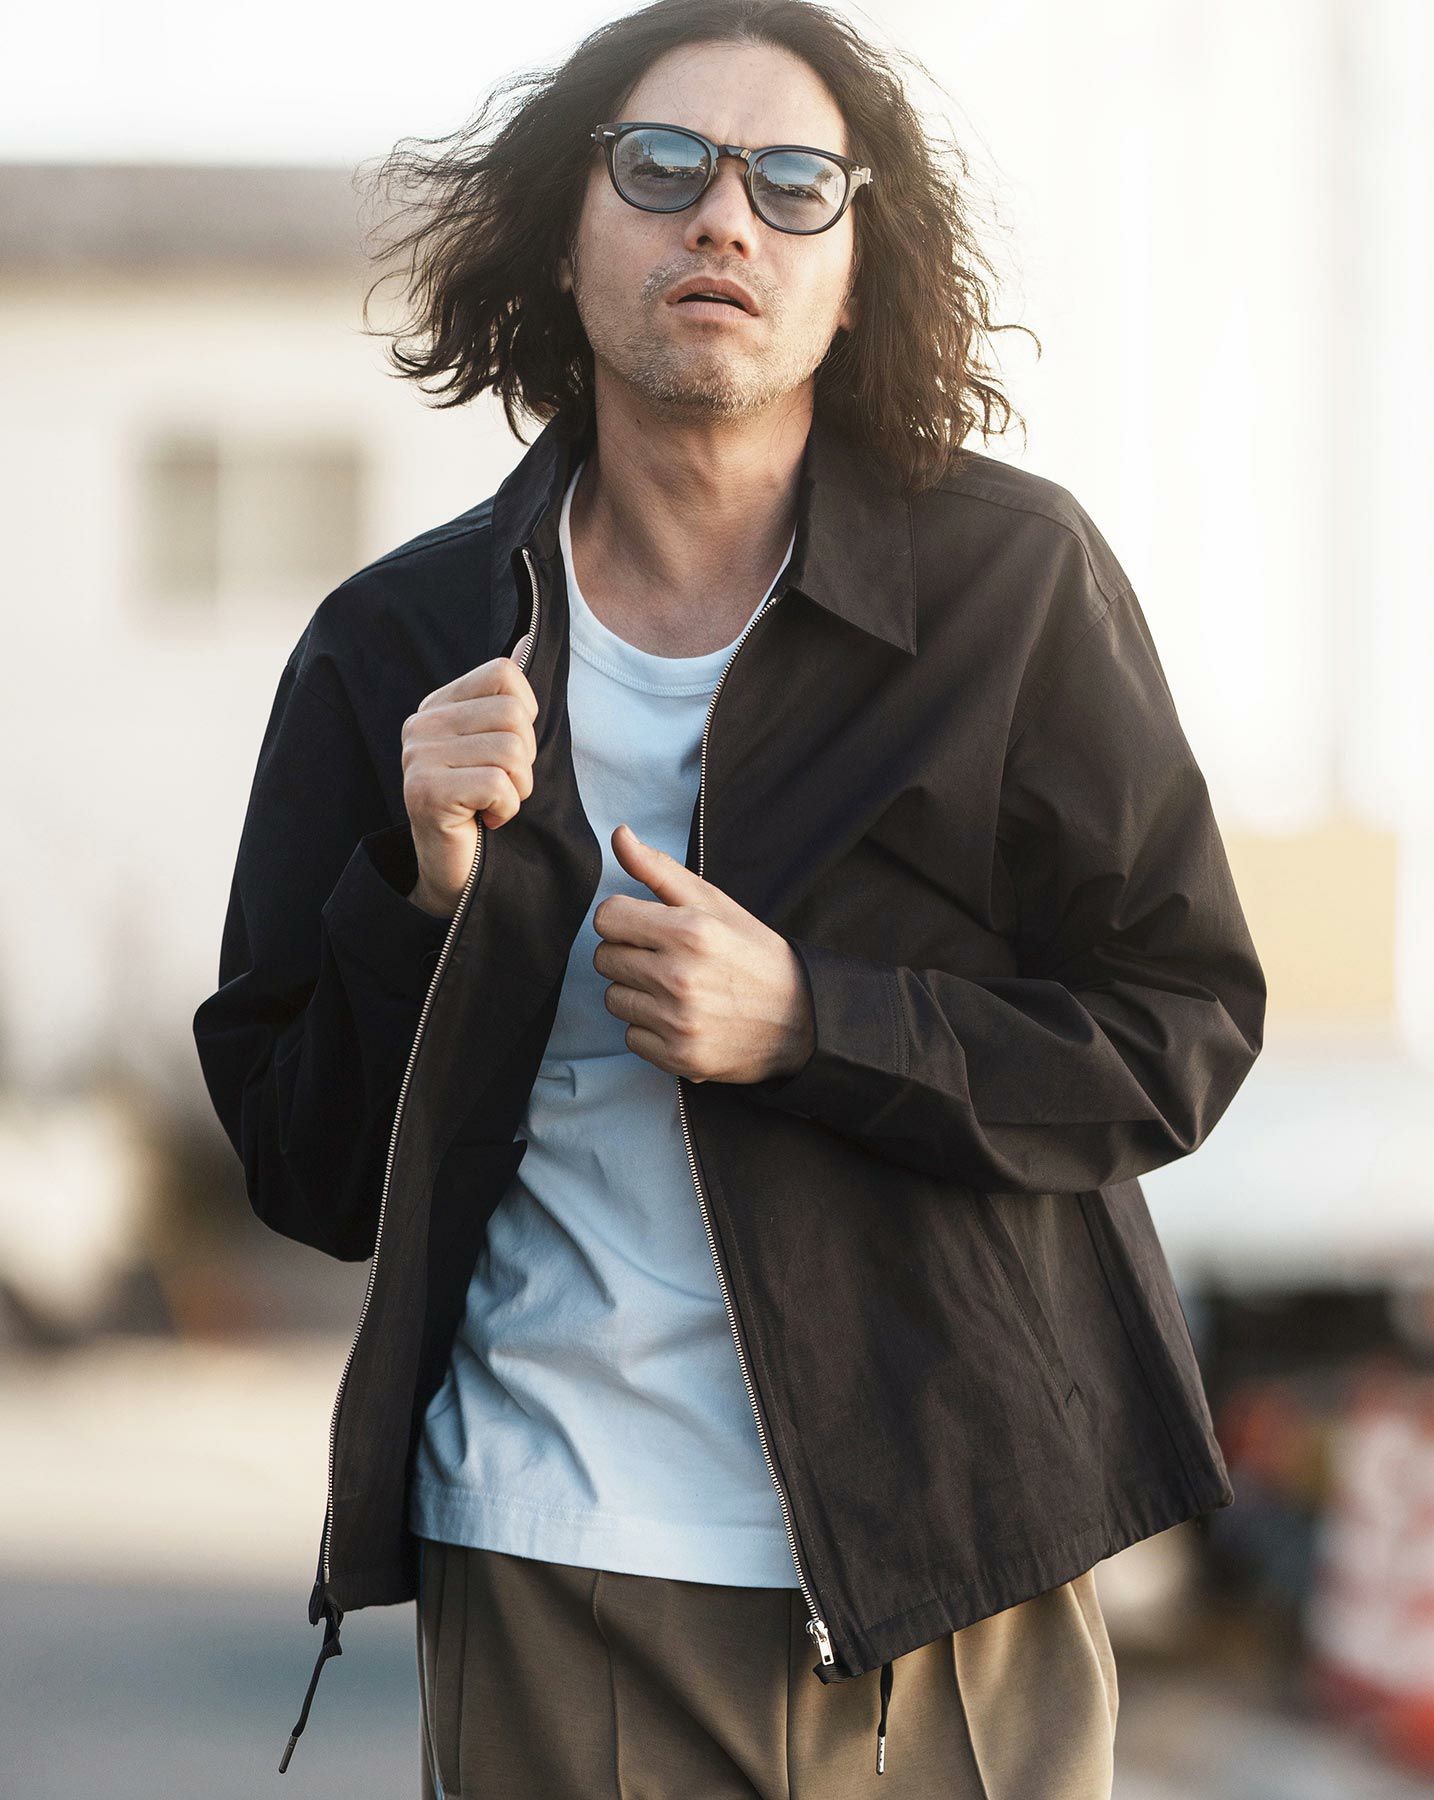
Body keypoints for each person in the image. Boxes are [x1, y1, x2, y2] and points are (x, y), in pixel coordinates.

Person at [192, 1, 1267, 1794]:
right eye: (664, 166)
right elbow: (302, 1173)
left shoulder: (1013, 587)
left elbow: (1181, 1034)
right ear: (565, 232)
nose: (722, 220)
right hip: (554, 1553)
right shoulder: (396, 646)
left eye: (791, 184)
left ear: (854, 270)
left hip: (961, 1556)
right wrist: (422, 897)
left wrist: (809, 1023)